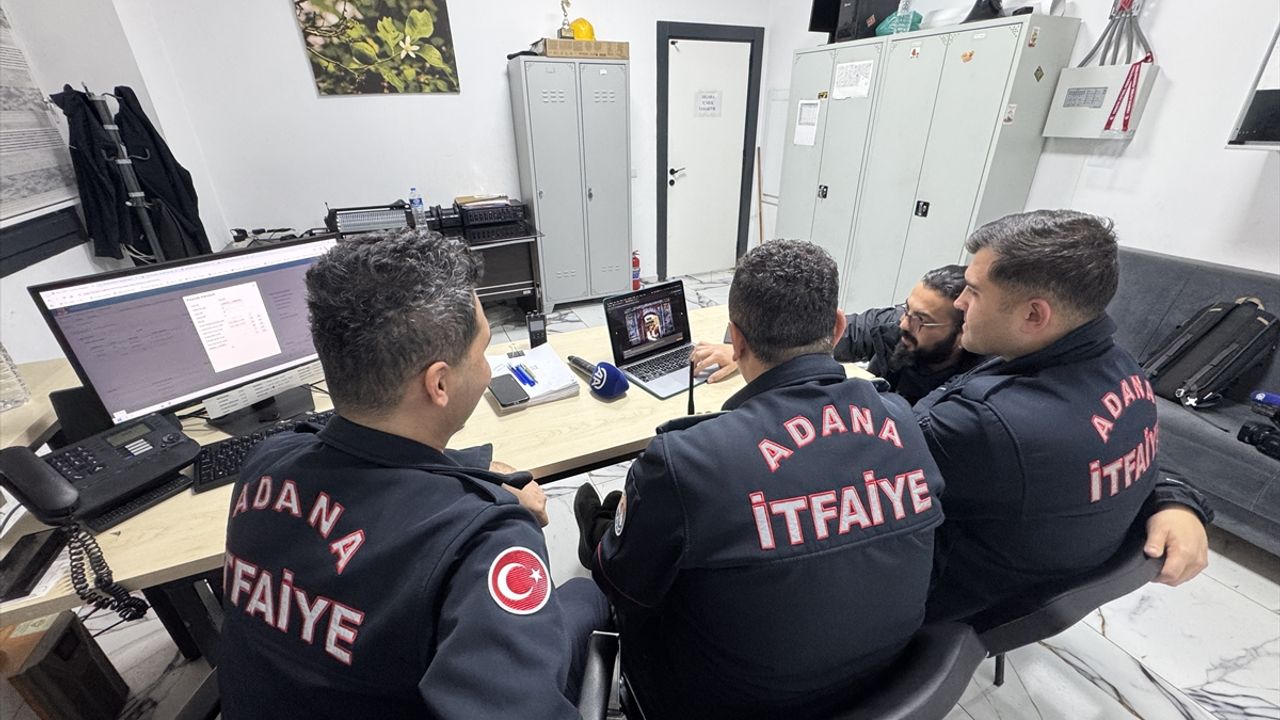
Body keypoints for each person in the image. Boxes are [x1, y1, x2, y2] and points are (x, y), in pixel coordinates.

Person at [218, 230, 608, 719]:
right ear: (439, 383)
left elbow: (361, 451)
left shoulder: (267, 460)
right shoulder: (484, 542)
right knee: (589, 592)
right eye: (483, 350)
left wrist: (477, 470)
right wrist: (491, 502)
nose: (487, 368)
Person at [578, 241, 946, 719]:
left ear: (736, 341)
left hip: (721, 703)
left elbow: (621, 584)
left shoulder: (686, 461)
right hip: (881, 686)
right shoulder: (902, 419)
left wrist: (607, 532)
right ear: (837, 328)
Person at [917, 210, 1211, 621]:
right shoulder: (1123, 369)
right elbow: (1129, 460)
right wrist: (1176, 500)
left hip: (938, 597)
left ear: (1034, 315)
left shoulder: (986, 423)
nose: (959, 302)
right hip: (1024, 576)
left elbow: (863, 468)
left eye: (974, 291)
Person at [693, 264, 982, 404]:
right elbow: (815, 335)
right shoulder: (895, 325)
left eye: (921, 320)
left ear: (962, 332)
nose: (905, 324)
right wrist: (749, 347)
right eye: (907, 309)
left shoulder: (971, 389)